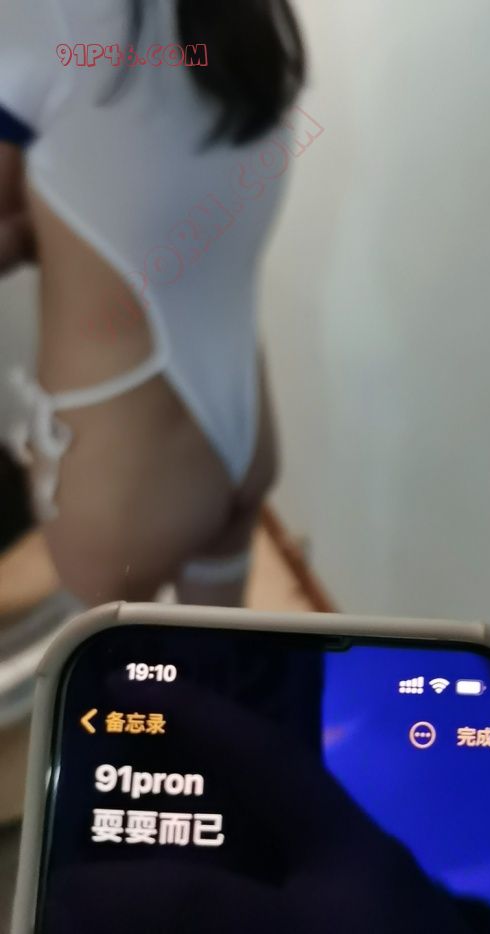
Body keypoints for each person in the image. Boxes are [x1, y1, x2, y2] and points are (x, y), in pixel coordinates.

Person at [0, 0, 303, 612]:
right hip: (245, 431)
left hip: (122, 473)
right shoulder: (253, 14)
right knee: (215, 654)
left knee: (114, 669)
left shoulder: (37, 21)